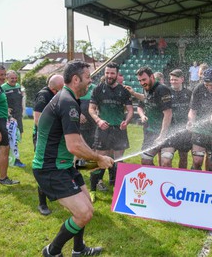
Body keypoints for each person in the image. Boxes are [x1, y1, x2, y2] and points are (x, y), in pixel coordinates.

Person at [33, 60, 114, 257]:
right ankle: (52, 252)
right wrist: (99, 158)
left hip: (63, 165)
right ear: (76, 79)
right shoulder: (67, 102)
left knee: (87, 207)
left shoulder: (69, 99)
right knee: (83, 213)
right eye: (88, 77)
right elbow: (74, 146)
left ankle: (78, 250)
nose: (91, 81)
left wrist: (95, 159)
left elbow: (77, 140)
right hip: (50, 168)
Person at [88, 62, 133, 201]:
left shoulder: (124, 91)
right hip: (103, 129)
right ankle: (93, 190)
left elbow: (130, 110)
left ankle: (117, 190)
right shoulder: (97, 89)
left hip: (119, 130)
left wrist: (127, 121)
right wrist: (98, 120)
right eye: (107, 73)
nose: (109, 75)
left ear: (117, 74)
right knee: (99, 159)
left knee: (118, 161)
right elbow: (91, 109)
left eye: (112, 73)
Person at [33, 74, 64, 216]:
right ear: (53, 89)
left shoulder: (59, 95)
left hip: (55, 139)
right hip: (44, 140)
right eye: (61, 88)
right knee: (44, 169)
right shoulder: (43, 95)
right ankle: (42, 203)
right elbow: (37, 120)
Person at [187, 67, 212, 171]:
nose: (209, 87)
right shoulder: (199, 88)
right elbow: (193, 110)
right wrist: (191, 121)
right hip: (200, 129)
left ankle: (207, 185)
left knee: (210, 165)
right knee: (197, 161)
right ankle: (194, 181)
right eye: (206, 85)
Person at [134, 66, 173, 167]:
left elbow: (168, 114)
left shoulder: (162, 89)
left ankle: (168, 181)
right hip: (150, 131)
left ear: (152, 77)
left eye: (144, 79)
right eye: (140, 80)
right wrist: (142, 116)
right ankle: (156, 180)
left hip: (166, 133)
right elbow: (142, 103)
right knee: (145, 160)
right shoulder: (145, 89)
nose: (142, 83)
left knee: (166, 161)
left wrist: (162, 135)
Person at [166, 69, 192, 168]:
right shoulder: (166, 92)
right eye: (171, 80)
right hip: (170, 130)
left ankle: (181, 179)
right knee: (166, 157)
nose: (173, 82)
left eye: (175, 79)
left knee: (183, 157)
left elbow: (192, 110)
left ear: (182, 79)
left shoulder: (189, 93)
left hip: (184, 131)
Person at [1, 70, 25, 168]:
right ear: (7, 78)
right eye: (12, 78)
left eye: (15, 78)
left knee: (18, 137)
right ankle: (15, 159)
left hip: (18, 116)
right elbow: (0, 101)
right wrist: (6, 110)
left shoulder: (18, 86)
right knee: (12, 138)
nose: (14, 80)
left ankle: (11, 158)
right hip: (9, 118)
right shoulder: (3, 88)